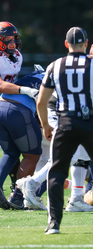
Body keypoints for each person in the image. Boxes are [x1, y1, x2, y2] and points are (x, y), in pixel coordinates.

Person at [37, 27, 93, 234]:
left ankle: (54, 223)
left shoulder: (55, 66)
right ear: (86, 44)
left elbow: (41, 101)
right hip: (92, 121)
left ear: (66, 44)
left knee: (57, 171)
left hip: (65, 121)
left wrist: (46, 125)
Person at [0, 70, 42, 210]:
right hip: (18, 111)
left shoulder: (32, 75)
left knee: (10, 153)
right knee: (32, 155)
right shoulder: (54, 79)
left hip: (0, 105)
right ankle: (17, 197)